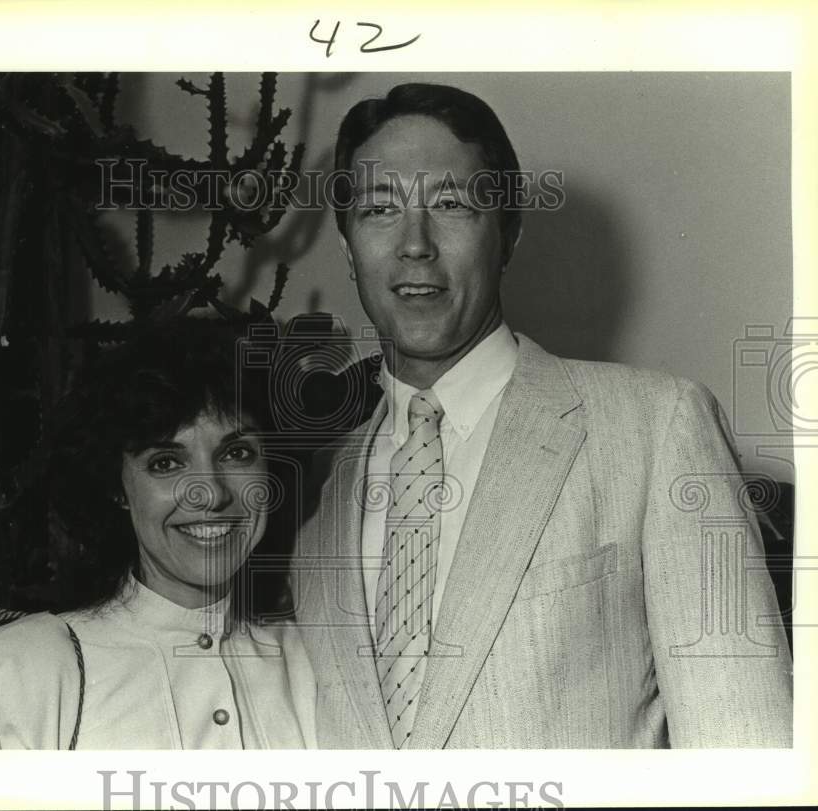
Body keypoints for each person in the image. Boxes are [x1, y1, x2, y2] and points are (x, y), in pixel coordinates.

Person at [292, 82, 793, 748]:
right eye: (380, 209)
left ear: (509, 233)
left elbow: (745, 750)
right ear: (350, 248)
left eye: (451, 203)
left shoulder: (655, 426)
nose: (414, 243)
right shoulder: (322, 491)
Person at [0, 317, 316, 749]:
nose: (210, 493)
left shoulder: (314, 663)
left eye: (237, 453)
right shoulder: (19, 667)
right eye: (166, 462)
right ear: (117, 487)